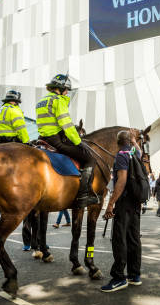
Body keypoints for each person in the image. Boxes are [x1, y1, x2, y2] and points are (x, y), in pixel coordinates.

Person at [36, 74, 97, 208]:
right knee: (89, 159)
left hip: (43, 139)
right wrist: (78, 142)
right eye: (66, 90)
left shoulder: (42, 101)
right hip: (57, 140)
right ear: (61, 88)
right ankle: (83, 195)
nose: (67, 92)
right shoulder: (58, 100)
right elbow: (66, 124)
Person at [101, 130, 143, 292]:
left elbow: (122, 180)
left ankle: (119, 277)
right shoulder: (134, 153)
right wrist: (134, 140)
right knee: (133, 238)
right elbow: (139, 151)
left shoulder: (121, 155)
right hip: (136, 202)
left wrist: (111, 203)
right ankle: (134, 275)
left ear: (117, 141)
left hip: (124, 202)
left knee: (119, 239)